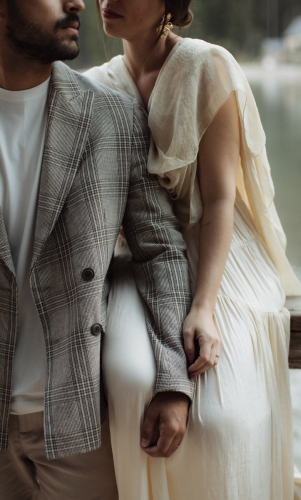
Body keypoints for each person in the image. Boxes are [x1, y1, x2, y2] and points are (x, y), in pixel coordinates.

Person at [85, 1, 301, 499]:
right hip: (139, 255)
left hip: (216, 247)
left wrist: (204, 306)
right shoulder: (96, 86)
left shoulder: (206, 66)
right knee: (127, 379)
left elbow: (220, 200)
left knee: (223, 419)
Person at [0, 0, 195, 498]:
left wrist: (173, 379)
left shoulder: (111, 116)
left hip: (74, 419)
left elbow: (161, 252)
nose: (77, 2)